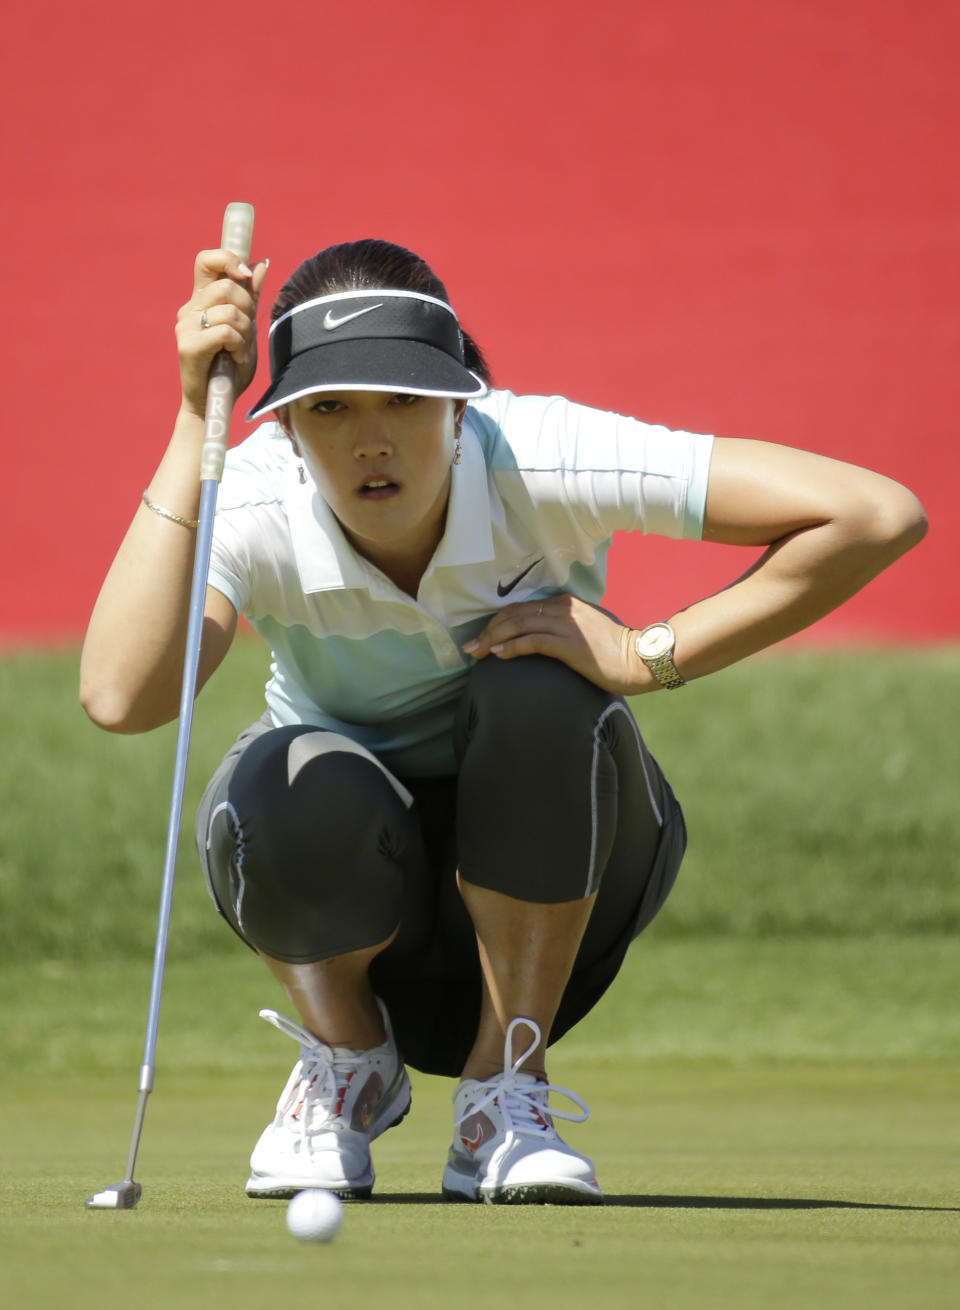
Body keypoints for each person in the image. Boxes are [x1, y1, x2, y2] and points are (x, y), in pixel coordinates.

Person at [80, 235, 926, 1206]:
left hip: (566, 855)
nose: (370, 439)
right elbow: (122, 696)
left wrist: (650, 652)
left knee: (541, 691)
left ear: (461, 399)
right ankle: (349, 1058)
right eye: (328, 407)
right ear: (284, 424)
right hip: (346, 879)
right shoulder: (256, 488)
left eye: (404, 398)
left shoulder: (538, 450)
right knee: (283, 774)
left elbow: (873, 514)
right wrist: (198, 417)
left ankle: (503, 1093)